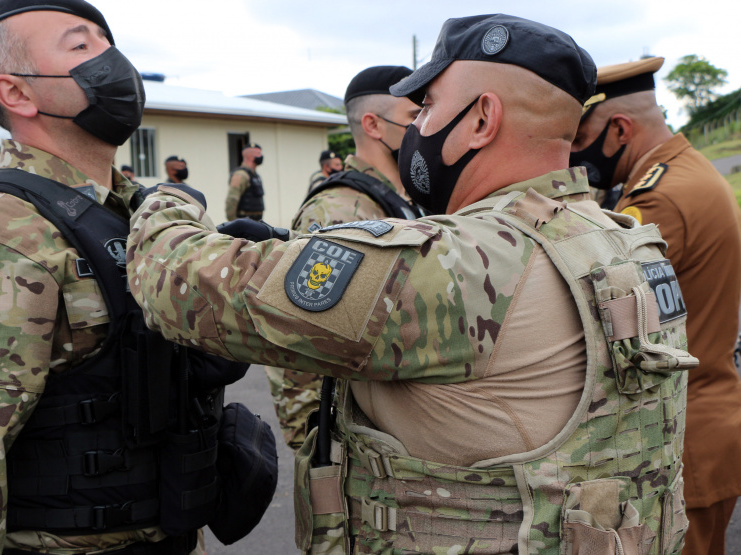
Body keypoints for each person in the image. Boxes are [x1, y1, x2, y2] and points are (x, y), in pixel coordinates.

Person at [127, 14, 697, 554]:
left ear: (481, 119)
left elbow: (180, 287)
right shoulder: (622, 239)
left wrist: (164, 204)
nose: (417, 129)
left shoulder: (466, 262)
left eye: (427, 108)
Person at [0, 1, 251, 554]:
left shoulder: (132, 209)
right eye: (81, 46)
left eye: (107, 41)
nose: (112, 60)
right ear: (15, 93)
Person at [571, 56, 741, 555]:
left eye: (582, 141)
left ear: (620, 128)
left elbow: (607, 325)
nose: (576, 156)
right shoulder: (688, 170)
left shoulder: (656, 202)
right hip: (712, 418)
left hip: (683, 435)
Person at [269, 66, 427, 451]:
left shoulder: (407, 201)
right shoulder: (339, 212)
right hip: (352, 441)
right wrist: (316, 439)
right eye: (413, 117)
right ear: (373, 124)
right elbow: (297, 334)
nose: (425, 126)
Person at [225, 142, 264, 221]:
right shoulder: (241, 175)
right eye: (259, 153)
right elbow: (232, 200)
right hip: (244, 222)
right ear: (250, 156)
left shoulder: (254, 175)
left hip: (256, 221)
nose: (261, 156)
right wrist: (234, 223)